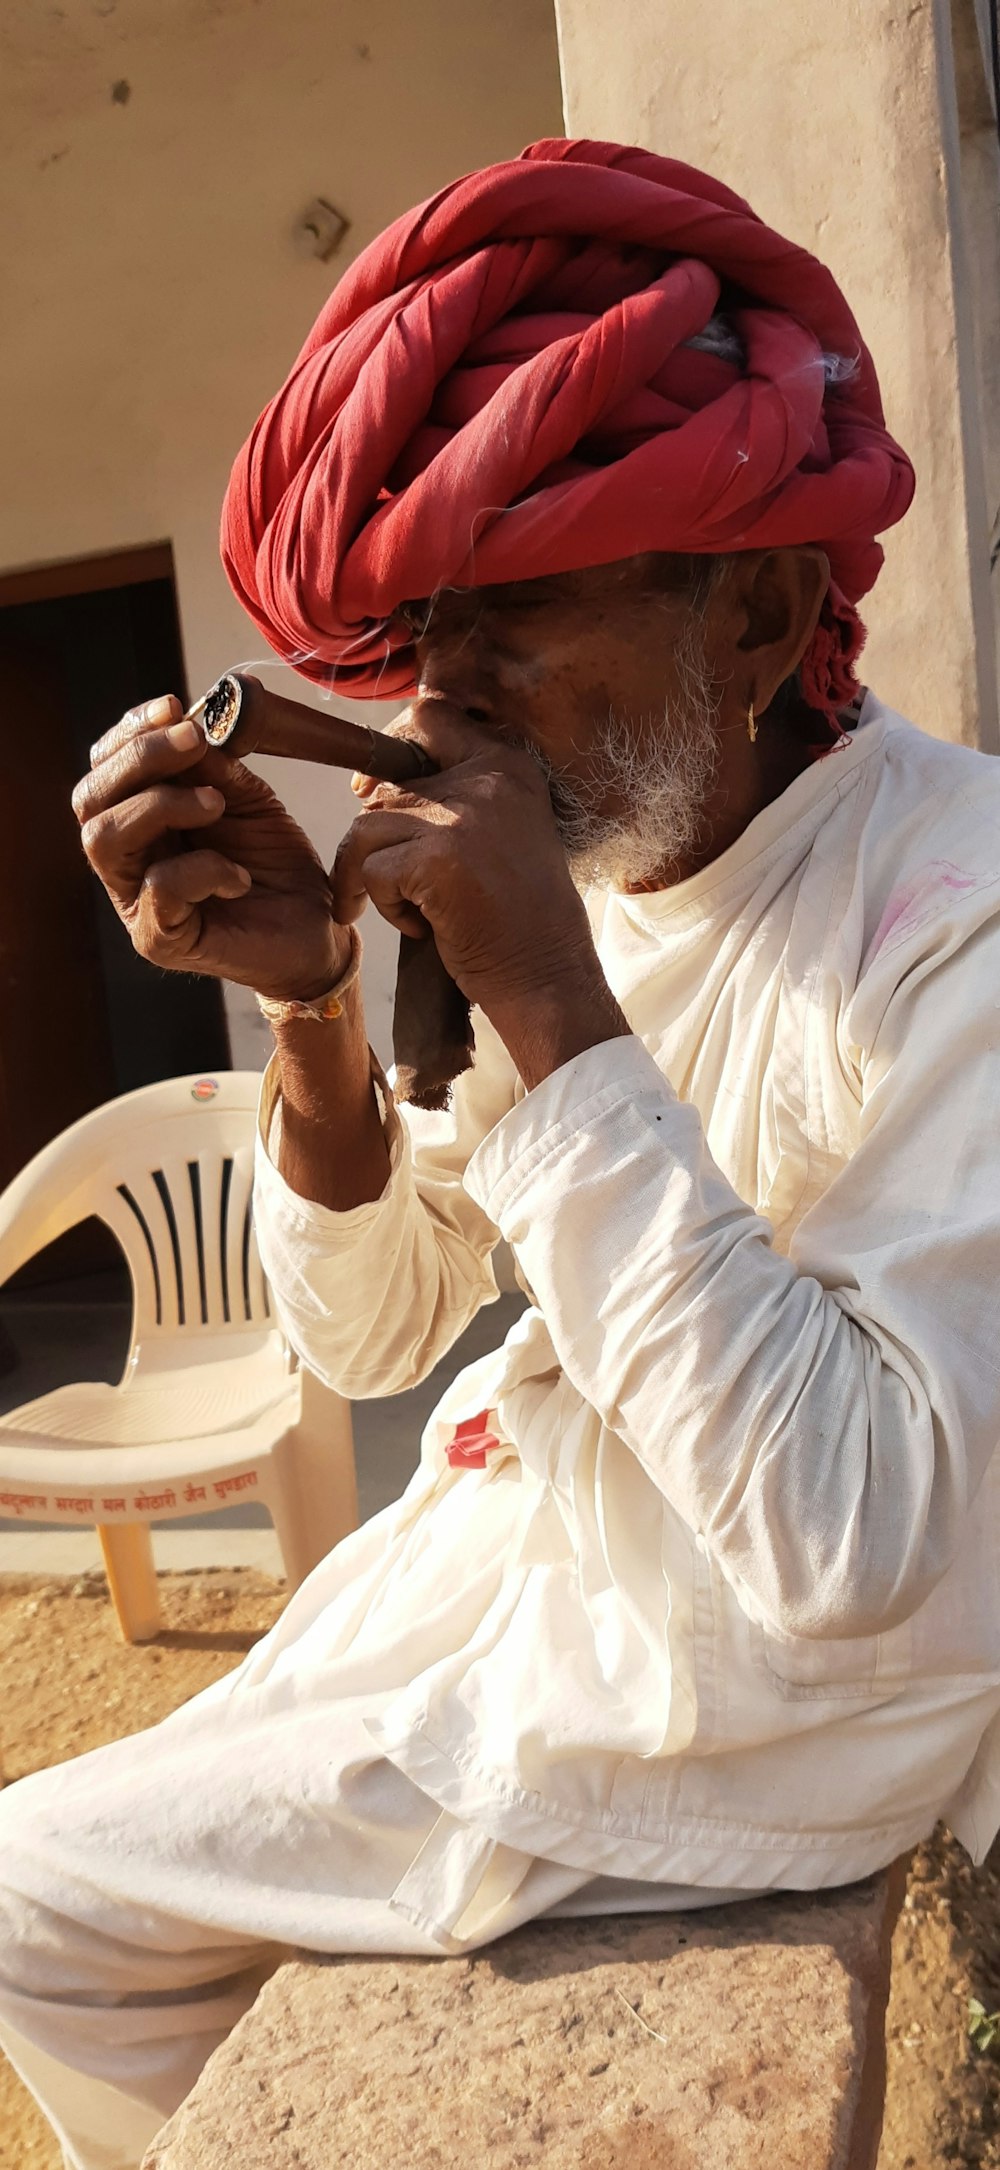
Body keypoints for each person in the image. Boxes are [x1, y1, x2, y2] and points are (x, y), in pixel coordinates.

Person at [3, 135, 1000, 2170]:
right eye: (426, 629)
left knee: (26, 1897)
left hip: (717, 1709)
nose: (441, 692)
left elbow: (856, 1542)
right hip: (516, 1580)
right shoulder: (618, 865)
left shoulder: (956, 908)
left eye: (517, 621)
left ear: (760, 615)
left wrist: (550, 1002)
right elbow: (371, 1340)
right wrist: (309, 1019)